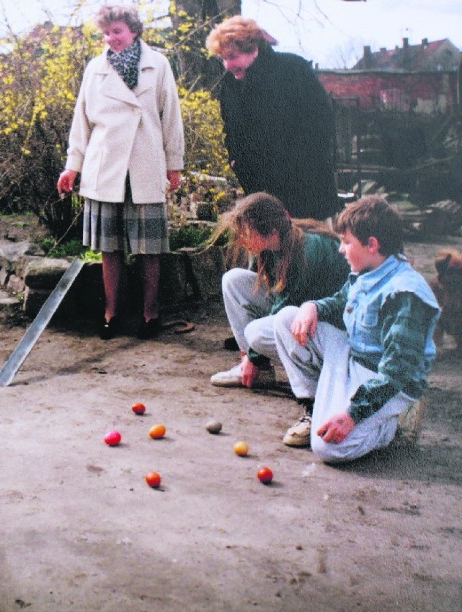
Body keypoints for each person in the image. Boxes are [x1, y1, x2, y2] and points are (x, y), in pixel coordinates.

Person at [273, 196, 440, 463]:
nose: (341, 249)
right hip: (353, 356)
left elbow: (396, 373)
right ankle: (316, 407)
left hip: (387, 380)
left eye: (346, 242)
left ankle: (389, 425)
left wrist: (353, 415)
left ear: (371, 244)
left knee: (328, 449)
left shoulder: (405, 295)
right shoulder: (369, 269)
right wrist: (312, 306)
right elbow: (340, 301)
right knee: (287, 319)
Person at [57, 4, 185, 340]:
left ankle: (151, 313)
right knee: (109, 247)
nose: (111, 38)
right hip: (105, 166)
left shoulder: (158, 65)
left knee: (150, 247)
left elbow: (171, 116)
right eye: (106, 33)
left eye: (118, 31)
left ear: (133, 30)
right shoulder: (95, 69)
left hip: (145, 162)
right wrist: (73, 166)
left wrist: (174, 163)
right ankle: (111, 312)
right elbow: (81, 122)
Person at [209, 192, 350, 446]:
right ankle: (254, 370)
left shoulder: (307, 249)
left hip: (333, 328)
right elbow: (272, 293)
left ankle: (313, 401)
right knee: (233, 281)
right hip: (302, 313)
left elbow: (284, 309)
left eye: (246, 233)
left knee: (261, 330)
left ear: (270, 230)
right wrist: (250, 358)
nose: (241, 240)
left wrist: (254, 354)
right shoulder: (274, 245)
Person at [205, 16, 341, 223]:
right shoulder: (230, 87)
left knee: (310, 252)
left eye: (232, 56)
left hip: (306, 192)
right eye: (223, 58)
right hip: (261, 196)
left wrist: (287, 198)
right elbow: (233, 136)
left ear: (252, 49)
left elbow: (320, 129)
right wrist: (239, 165)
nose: (227, 65)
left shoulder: (293, 70)